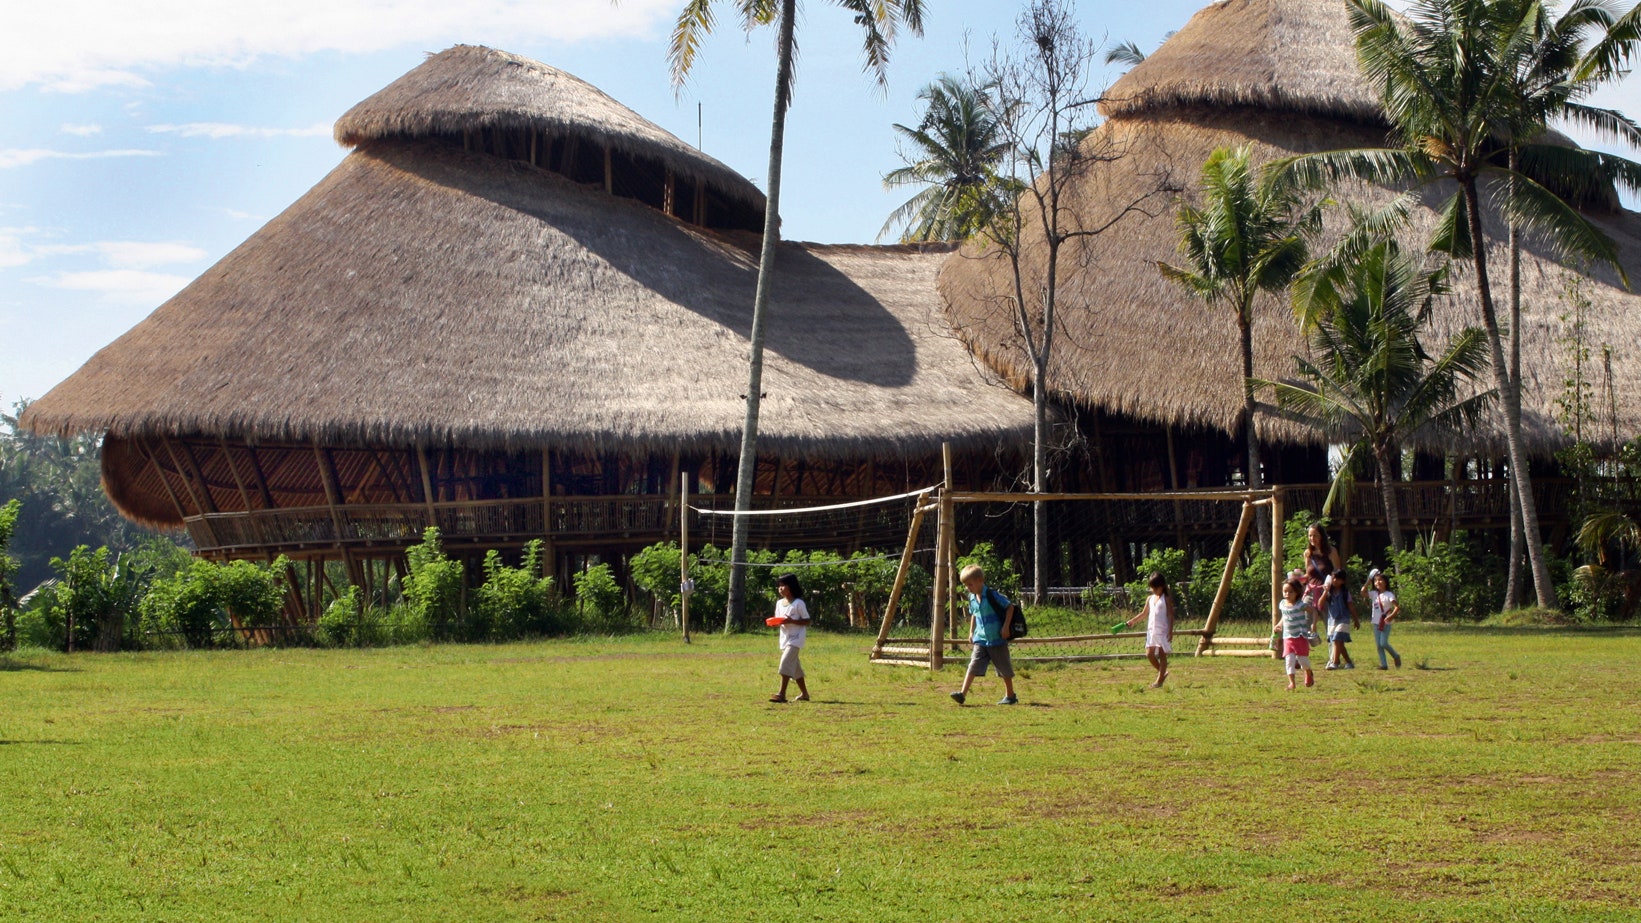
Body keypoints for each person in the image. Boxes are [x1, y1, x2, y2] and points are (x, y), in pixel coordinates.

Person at [950, 564, 1018, 706]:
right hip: (981, 639)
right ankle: (962, 694)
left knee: (1003, 667)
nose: (968, 588)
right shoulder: (972, 598)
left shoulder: (992, 595)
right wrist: (971, 631)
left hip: (997, 638)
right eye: (966, 585)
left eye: (970, 584)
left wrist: (1006, 627)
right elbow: (974, 614)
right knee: (973, 664)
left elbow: (1010, 607)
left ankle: (1010, 695)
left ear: (980, 580)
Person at [1124, 571, 1174, 688]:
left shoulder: (1166, 599)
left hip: (1163, 630)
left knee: (1162, 655)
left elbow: (1170, 615)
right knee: (1149, 654)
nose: (1154, 590)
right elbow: (1144, 613)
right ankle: (1162, 673)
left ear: (1162, 586)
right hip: (1152, 630)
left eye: (1156, 588)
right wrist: (1132, 621)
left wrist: (1170, 631)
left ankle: (1159, 681)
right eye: (1152, 588)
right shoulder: (1150, 599)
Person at [768, 573, 811, 703]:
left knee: (785, 663)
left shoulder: (798, 603)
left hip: (796, 638)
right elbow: (779, 620)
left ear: (791, 586)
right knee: (795, 668)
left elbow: (807, 621)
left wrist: (792, 621)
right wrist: (774, 623)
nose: (780, 588)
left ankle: (781, 694)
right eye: (779, 586)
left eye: (783, 585)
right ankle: (805, 694)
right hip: (785, 639)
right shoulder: (780, 603)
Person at [1277, 578, 1318, 690]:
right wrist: (1279, 625)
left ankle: (1308, 672)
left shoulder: (1300, 605)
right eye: (1285, 591)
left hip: (1300, 636)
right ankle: (1292, 683)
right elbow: (1284, 617)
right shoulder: (1282, 604)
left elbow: (1314, 611)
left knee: (1302, 661)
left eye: (1290, 592)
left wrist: (1314, 624)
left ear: (1297, 593)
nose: (1287, 594)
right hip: (1288, 637)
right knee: (1289, 660)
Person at [1319, 570, 1359, 670]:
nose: (1335, 580)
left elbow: (1351, 607)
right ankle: (1349, 662)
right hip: (1332, 620)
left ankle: (1335, 662)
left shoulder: (1345, 593)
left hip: (1343, 619)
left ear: (1343, 581)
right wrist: (1325, 591)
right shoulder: (1329, 593)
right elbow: (1320, 604)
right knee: (1338, 643)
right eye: (1333, 578)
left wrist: (1356, 619)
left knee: (1337, 639)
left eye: (1338, 579)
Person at [1369, 570, 1402, 670]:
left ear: (1385, 582)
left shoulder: (1389, 594)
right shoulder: (1374, 594)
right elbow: (1362, 592)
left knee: (1383, 643)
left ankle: (1396, 656)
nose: (1378, 582)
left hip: (1385, 622)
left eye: (1380, 580)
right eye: (1375, 580)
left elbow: (1397, 607)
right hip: (1375, 622)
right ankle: (1384, 665)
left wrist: (1391, 616)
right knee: (1379, 645)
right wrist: (1368, 580)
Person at [1303, 524, 1342, 608]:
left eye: (1315, 535)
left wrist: (1329, 583)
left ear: (1321, 536)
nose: (1312, 538)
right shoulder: (1307, 553)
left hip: (1326, 593)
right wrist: (1297, 578)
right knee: (1307, 620)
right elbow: (1308, 574)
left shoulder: (1331, 551)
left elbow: (1338, 572)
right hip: (1311, 592)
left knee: (1328, 620)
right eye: (1310, 536)